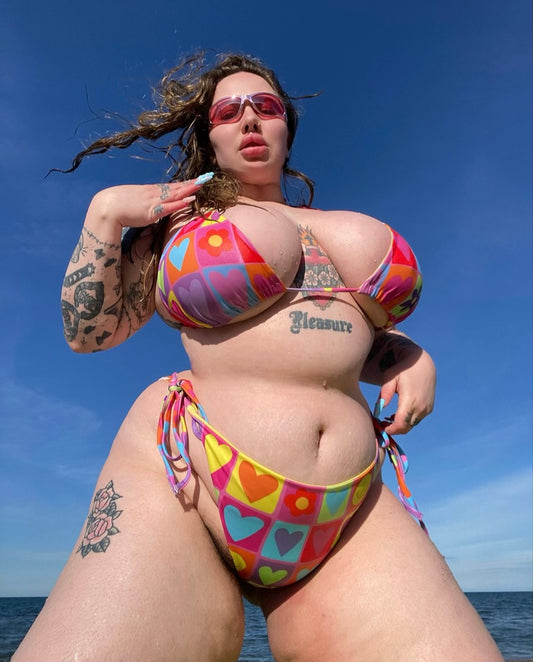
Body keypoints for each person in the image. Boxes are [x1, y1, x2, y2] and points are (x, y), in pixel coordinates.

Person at [14, 53, 503, 661]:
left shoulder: (329, 224)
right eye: (228, 112)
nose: (248, 119)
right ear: (211, 138)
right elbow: (89, 333)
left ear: (285, 129)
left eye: (264, 107)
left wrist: (405, 354)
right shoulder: (182, 222)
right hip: (188, 471)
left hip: (352, 501)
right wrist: (106, 212)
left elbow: (343, 335)